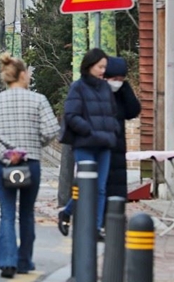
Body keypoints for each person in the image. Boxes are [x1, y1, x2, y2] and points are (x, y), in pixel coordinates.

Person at [0, 54, 59, 278]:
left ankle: (7, 262)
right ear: (23, 75)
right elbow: (52, 130)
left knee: (7, 214)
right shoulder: (38, 100)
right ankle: (25, 261)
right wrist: (35, 144)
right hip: (31, 162)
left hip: (5, 165)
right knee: (26, 213)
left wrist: (6, 154)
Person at [58, 48, 119, 240]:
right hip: (85, 144)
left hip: (104, 145)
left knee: (100, 187)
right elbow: (71, 115)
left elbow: (112, 113)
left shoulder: (105, 88)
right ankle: (67, 212)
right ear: (89, 65)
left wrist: (112, 130)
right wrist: (88, 130)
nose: (103, 71)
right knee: (87, 187)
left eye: (105, 67)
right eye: (100, 66)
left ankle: (96, 227)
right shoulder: (78, 87)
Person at [103, 57, 141, 202]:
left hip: (118, 147)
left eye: (121, 78)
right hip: (101, 145)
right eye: (115, 78)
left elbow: (133, 111)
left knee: (117, 189)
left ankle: (115, 217)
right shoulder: (99, 91)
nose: (117, 82)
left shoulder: (122, 92)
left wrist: (125, 88)